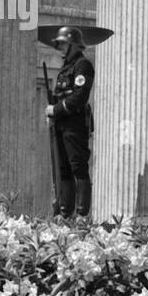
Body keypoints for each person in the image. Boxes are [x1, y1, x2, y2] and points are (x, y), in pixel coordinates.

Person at [45, 26, 93, 221]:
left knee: (77, 166)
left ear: (73, 44)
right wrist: (51, 113)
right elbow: (60, 95)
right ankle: (66, 214)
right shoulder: (66, 68)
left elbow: (79, 97)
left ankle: (82, 214)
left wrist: (55, 110)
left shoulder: (83, 65)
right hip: (61, 123)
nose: (61, 47)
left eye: (64, 43)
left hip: (75, 124)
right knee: (63, 167)